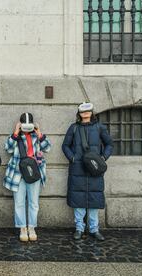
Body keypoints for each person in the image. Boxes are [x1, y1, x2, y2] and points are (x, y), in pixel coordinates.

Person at [62, 102, 113, 241]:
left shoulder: (99, 128)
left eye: (88, 111)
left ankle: (94, 229)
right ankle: (79, 228)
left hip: (94, 168)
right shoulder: (73, 128)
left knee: (94, 199)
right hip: (77, 168)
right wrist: (72, 158)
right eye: (82, 111)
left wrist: (103, 158)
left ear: (91, 112)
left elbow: (109, 144)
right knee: (78, 200)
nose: (85, 113)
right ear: (79, 113)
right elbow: (65, 146)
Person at [3, 113, 51, 242]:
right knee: (19, 203)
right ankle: (22, 228)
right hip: (18, 173)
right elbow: (7, 148)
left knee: (33, 203)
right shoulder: (16, 137)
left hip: (34, 173)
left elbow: (47, 148)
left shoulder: (37, 136)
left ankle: (32, 227)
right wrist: (16, 132)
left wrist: (40, 133)